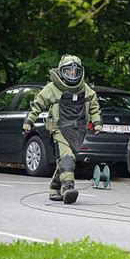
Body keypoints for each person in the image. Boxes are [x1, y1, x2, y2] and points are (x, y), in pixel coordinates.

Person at [23, 54, 102, 204]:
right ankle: (67, 187)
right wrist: (29, 121)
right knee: (68, 158)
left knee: (64, 161)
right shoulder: (52, 88)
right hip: (59, 128)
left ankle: (54, 188)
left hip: (78, 129)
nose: (72, 75)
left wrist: (97, 123)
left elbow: (94, 106)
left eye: (75, 72)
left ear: (80, 72)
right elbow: (38, 104)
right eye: (68, 72)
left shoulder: (86, 89)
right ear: (61, 71)